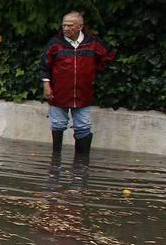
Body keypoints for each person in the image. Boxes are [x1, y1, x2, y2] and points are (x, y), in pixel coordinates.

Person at [42, 11, 115, 157]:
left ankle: (82, 161)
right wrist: (46, 84)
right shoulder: (55, 43)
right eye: (64, 25)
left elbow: (107, 56)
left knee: (83, 126)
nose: (66, 28)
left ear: (80, 26)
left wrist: (92, 73)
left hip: (83, 92)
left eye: (70, 25)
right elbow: (45, 65)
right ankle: (56, 157)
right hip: (59, 92)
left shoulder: (93, 43)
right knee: (58, 125)